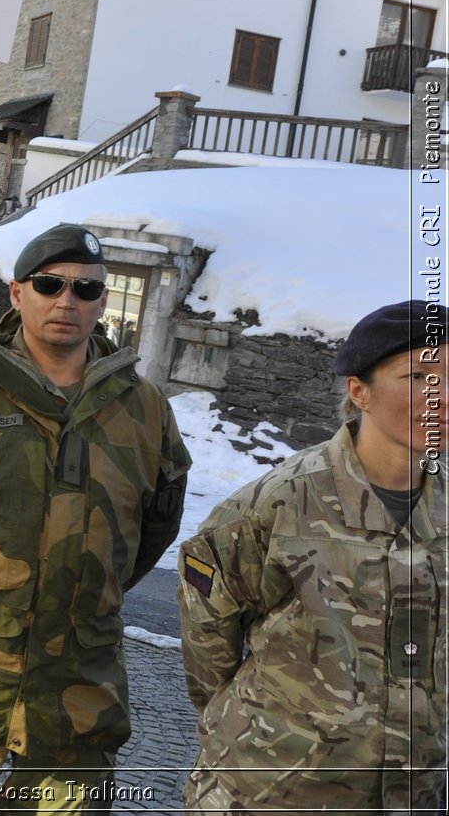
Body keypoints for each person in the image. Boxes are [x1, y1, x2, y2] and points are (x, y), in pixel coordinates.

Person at [0, 222, 191, 813]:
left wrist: (88, 589)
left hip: (79, 679)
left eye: (86, 289)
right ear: (18, 294)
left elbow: (157, 523)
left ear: (102, 301)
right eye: (50, 285)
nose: (67, 300)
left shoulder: (144, 409)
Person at [178, 299, 445, 813]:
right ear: (359, 392)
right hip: (273, 793)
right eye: (418, 376)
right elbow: (207, 639)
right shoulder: (279, 504)